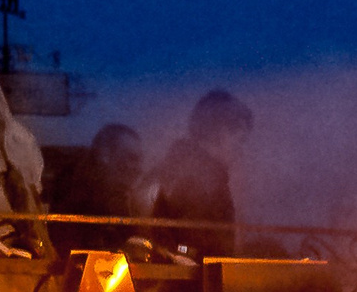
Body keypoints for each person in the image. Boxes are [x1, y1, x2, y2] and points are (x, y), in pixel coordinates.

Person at [150, 89, 254, 260]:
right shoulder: (198, 177)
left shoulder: (184, 169)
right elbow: (187, 247)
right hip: (193, 281)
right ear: (221, 132)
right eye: (239, 140)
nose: (241, 150)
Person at [49, 122, 148, 261]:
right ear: (105, 156)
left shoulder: (125, 199)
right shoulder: (76, 193)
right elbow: (72, 251)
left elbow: (137, 240)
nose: (138, 169)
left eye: (139, 161)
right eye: (131, 159)